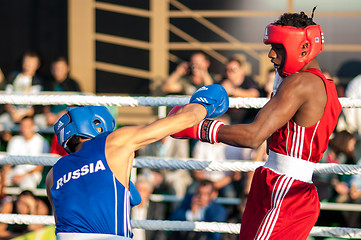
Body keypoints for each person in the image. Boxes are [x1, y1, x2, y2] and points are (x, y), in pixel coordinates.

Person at [172, 10, 342, 239]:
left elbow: (253, 136)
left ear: (302, 48)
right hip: (276, 182)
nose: (271, 55)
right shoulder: (312, 82)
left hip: (287, 190)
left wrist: (197, 127)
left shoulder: (302, 83)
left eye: (279, 47)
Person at [45, 84, 229, 239]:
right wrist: (204, 103)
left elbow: (63, 218)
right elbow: (186, 119)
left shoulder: (53, 174)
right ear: (98, 125)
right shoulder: (114, 141)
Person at [0, 51, 44, 128]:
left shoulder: (38, 81)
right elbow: (6, 96)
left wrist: (22, 115)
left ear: (37, 65)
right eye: (27, 62)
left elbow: (35, 104)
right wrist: (12, 112)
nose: (28, 65)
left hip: (28, 116)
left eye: (31, 63)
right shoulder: (13, 76)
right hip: (11, 113)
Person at [4, 116, 50, 190]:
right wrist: (3, 176)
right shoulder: (15, 140)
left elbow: (40, 167)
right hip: (14, 173)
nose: (25, 128)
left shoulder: (42, 142)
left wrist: (22, 176)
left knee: (27, 187)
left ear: (33, 126)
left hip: (31, 175)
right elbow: (8, 163)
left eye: (27, 126)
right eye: (23, 126)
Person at [43, 57, 82, 126]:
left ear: (67, 68)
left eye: (60, 69)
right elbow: (44, 103)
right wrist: (47, 115)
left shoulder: (73, 84)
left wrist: (63, 114)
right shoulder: (48, 84)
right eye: (55, 69)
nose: (57, 71)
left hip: (68, 115)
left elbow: (78, 104)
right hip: (50, 117)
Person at [220, 56, 260, 124]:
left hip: (248, 120)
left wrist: (232, 91)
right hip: (228, 120)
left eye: (233, 69)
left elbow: (254, 94)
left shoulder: (248, 80)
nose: (229, 72)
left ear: (241, 70)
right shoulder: (223, 81)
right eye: (227, 70)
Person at [131, 175, 166, 240]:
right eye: (138, 189)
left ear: (149, 192)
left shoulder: (157, 209)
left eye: (143, 190)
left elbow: (160, 233)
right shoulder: (127, 207)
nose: (140, 193)